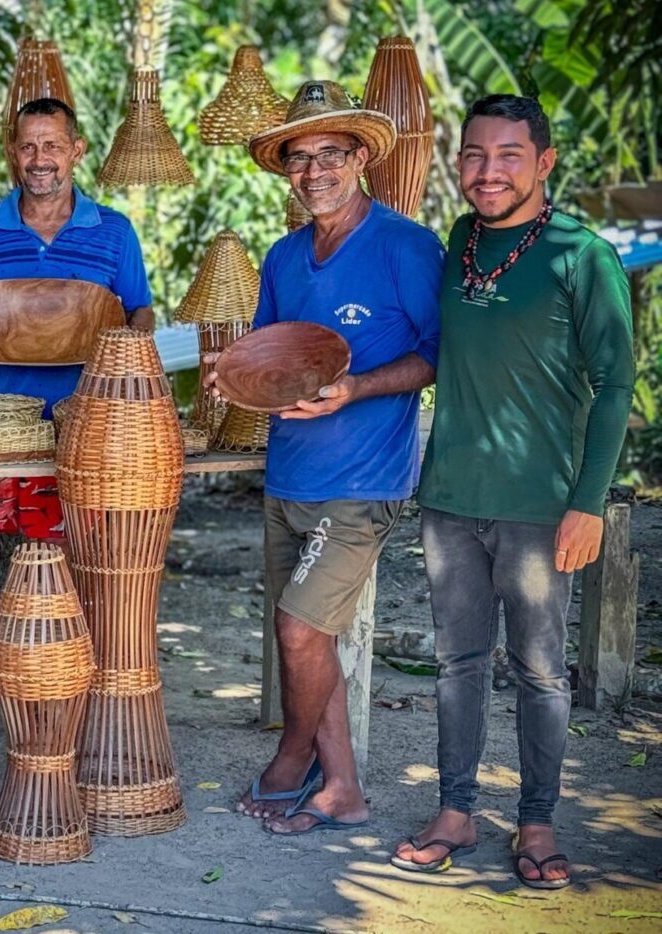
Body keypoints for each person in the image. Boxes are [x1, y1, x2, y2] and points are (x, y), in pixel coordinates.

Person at [391, 95, 633, 888]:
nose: (487, 171)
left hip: (540, 506)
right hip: (451, 497)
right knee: (457, 663)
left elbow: (614, 383)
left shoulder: (580, 254)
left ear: (545, 162)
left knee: (539, 671)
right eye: (473, 155)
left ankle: (536, 823)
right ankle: (455, 809)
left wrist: (588, 502)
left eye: (507, 156)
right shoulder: (461, 240)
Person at [208, 81, 442, 833]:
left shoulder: (406, 245)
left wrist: (356, 388)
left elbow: (439, 356)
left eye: (330, 154)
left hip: (364, 479)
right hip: (290, 472)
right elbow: (270, 361)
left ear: (361, 156)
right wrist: (230, 376)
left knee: (299, 630)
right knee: (311, 634)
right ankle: (342, 786)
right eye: (299, 158)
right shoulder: (282, 257)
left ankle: (291, 757)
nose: (314, 172)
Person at [0, 97, 154, 737]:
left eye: (52, 145)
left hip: (80, 430)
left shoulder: (115, 231)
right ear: (12, 152)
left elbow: (140, 314)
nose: (39, 159)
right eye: (27, 146)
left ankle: (71, 695)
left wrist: (131, 349)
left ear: (77, 150)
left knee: (72, 566)